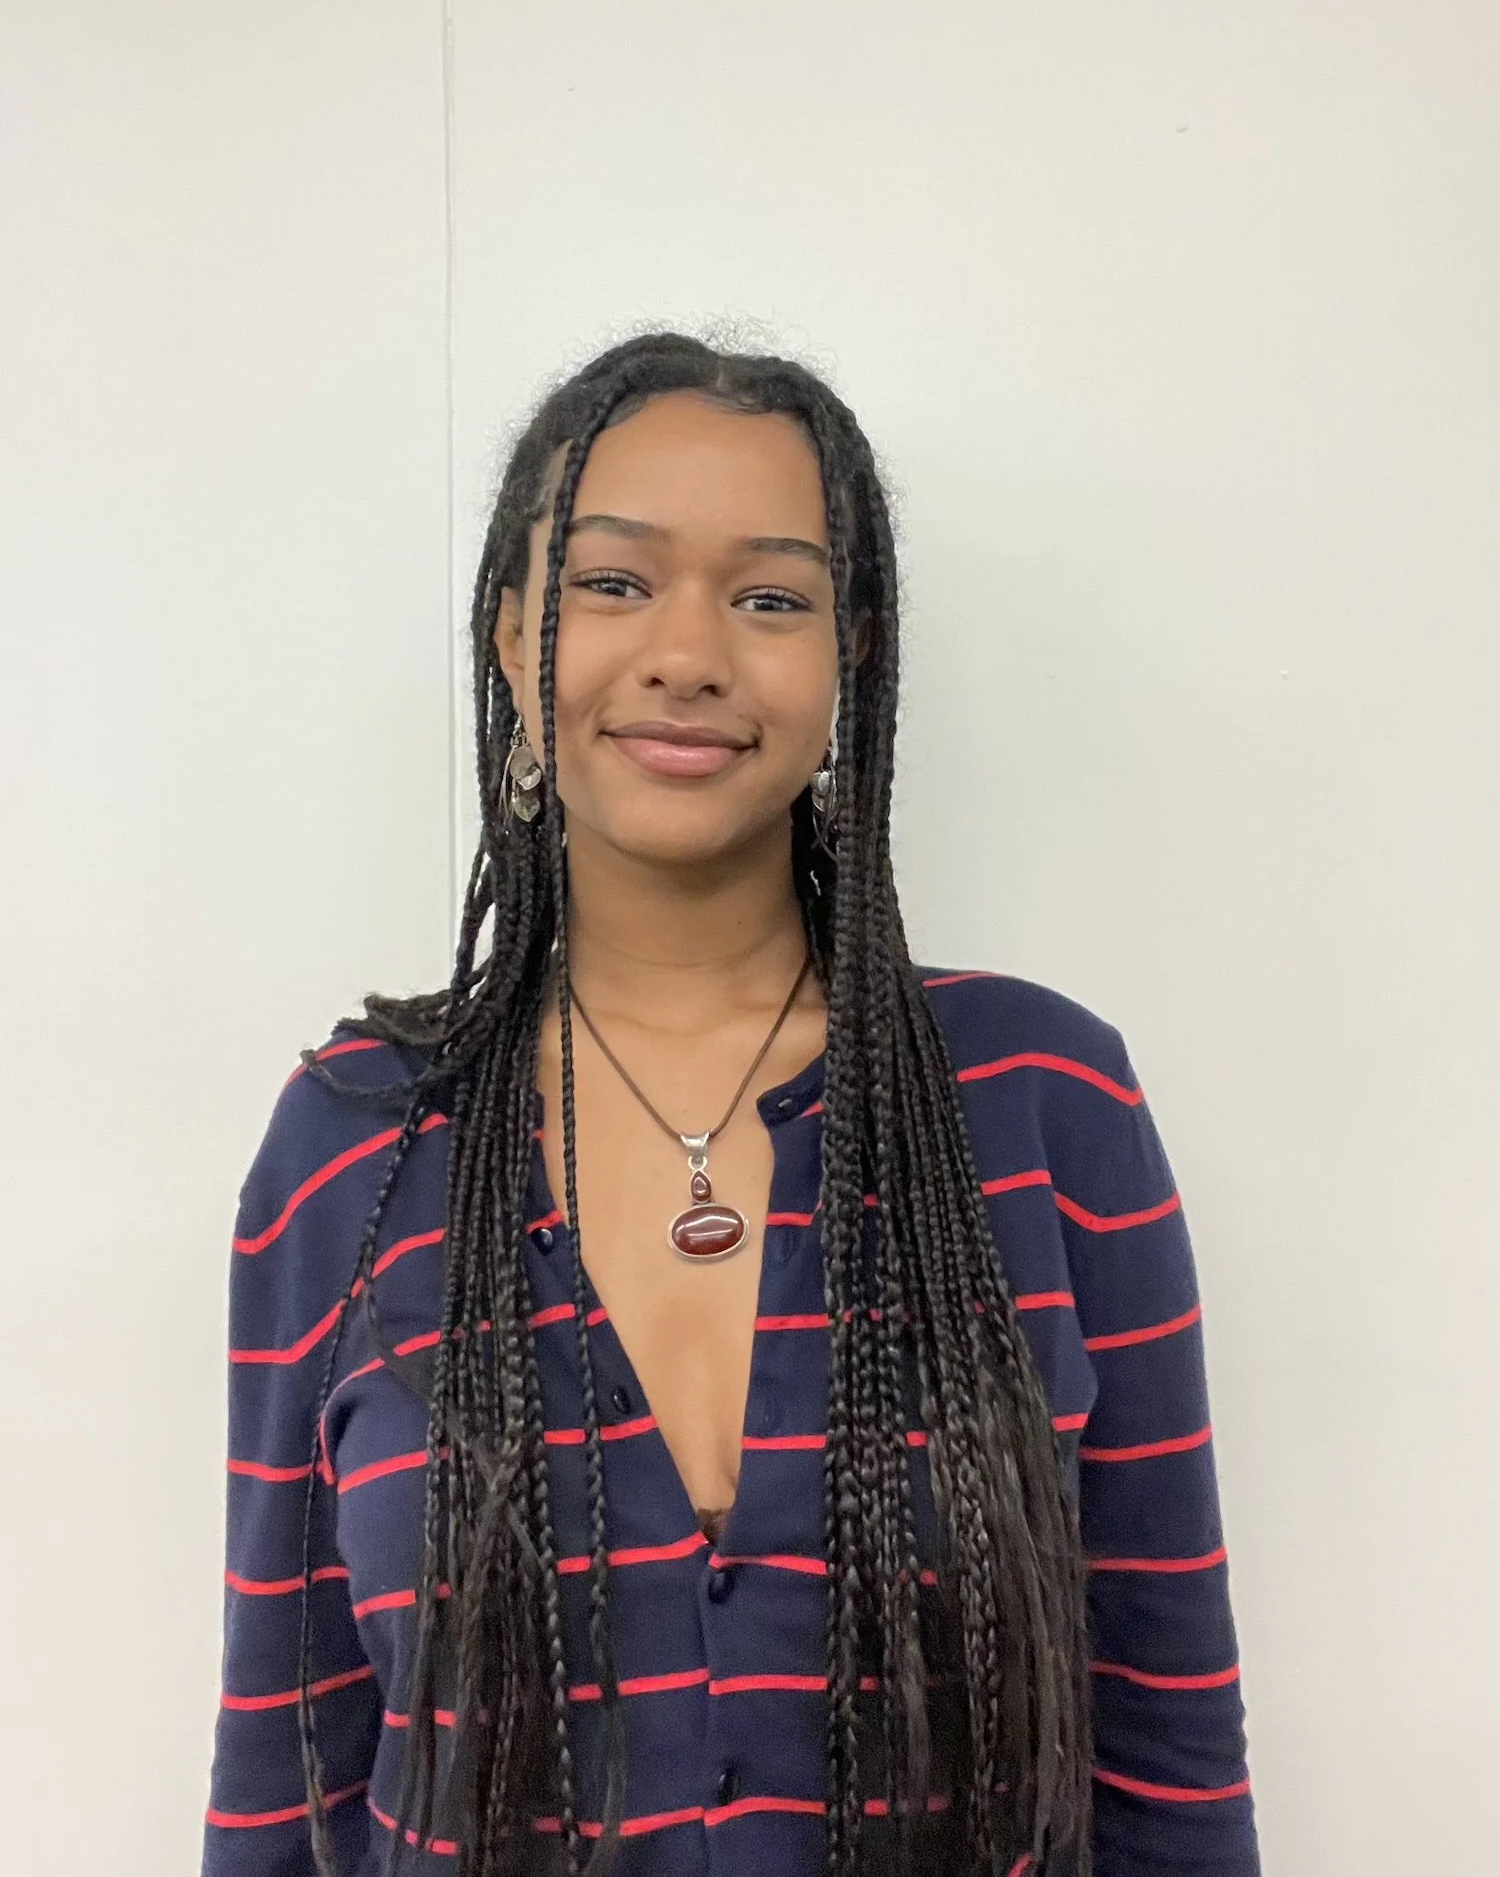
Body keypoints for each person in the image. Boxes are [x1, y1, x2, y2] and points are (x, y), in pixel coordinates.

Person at [203, 333, 1259, 1877]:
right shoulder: (355, 1143)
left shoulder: (1043, 1103)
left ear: (854, 654)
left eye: (770, 598)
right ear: (515, 634)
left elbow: (1169, 1756)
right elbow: (283, 1767)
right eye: (614, 582)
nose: (687, 653)